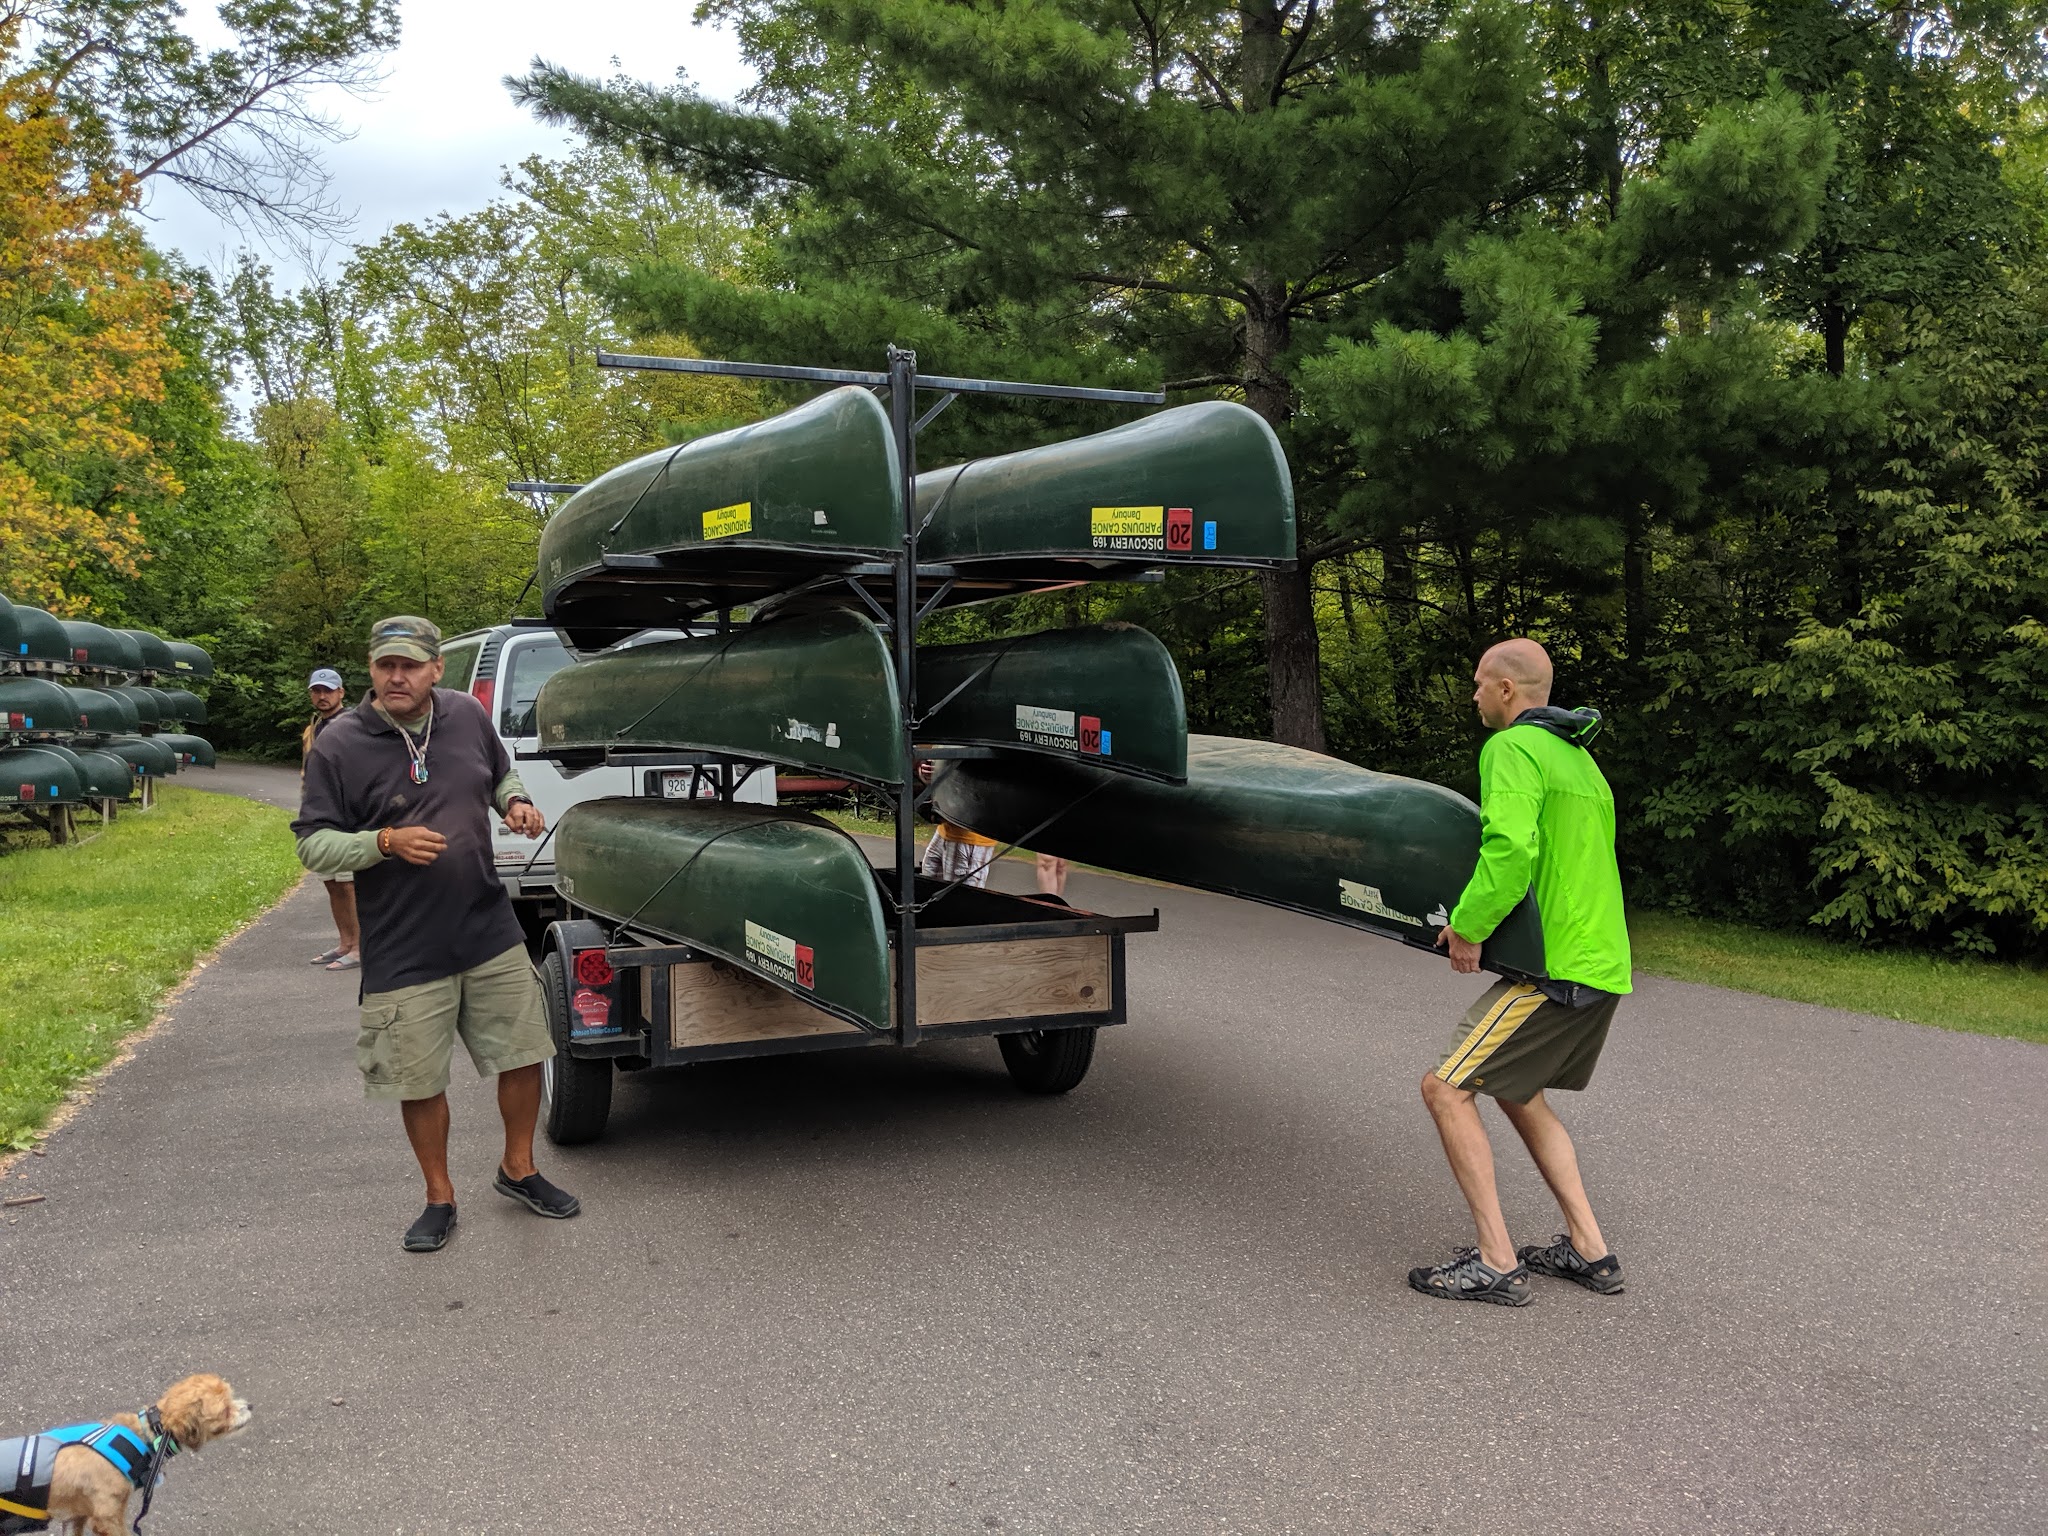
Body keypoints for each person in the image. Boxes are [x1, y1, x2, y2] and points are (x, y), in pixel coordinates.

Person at [292, 615, 580, 1253]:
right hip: (402, 943)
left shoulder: (466, 716)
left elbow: (499, 773)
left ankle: (519, 1168)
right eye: (385, 665)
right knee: (419, 1079)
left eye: (410, 665)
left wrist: (515, 803)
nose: (397, 676)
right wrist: (382, 842)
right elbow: (313, 846)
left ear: (434, 669)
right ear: (370, 668)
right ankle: (439, 1196)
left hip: (487, 925)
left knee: (525, 1051)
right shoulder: (339, 744)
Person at [1410, 637, 1632, 1306]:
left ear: (1508, 690)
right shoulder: (1578, 759)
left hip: (1555, 969)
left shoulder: (1510, 749)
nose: (1473, 693)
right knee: (1517, 1088)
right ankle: (1590, 1251)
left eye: (1479, 683)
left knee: (1444, 1089)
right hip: (1603, 964)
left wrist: (1470, 927)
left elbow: (1509, 849)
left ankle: (1496, 1262)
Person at [302, 667, 360, 972]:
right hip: (319, 817)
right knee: (331, 882)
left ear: (341, 693)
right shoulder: (315, 726)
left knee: (349, 883)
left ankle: (360, 948)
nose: (322, 696)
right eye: (317, 691)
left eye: (328, 691)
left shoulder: (351, 725)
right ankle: (344, 943)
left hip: (346, 818)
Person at [916, 760, 997, 888]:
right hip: (946, 827)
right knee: (927, 885)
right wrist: (929, 774)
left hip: (969, 833)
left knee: (956, 898)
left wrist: (940, 773)